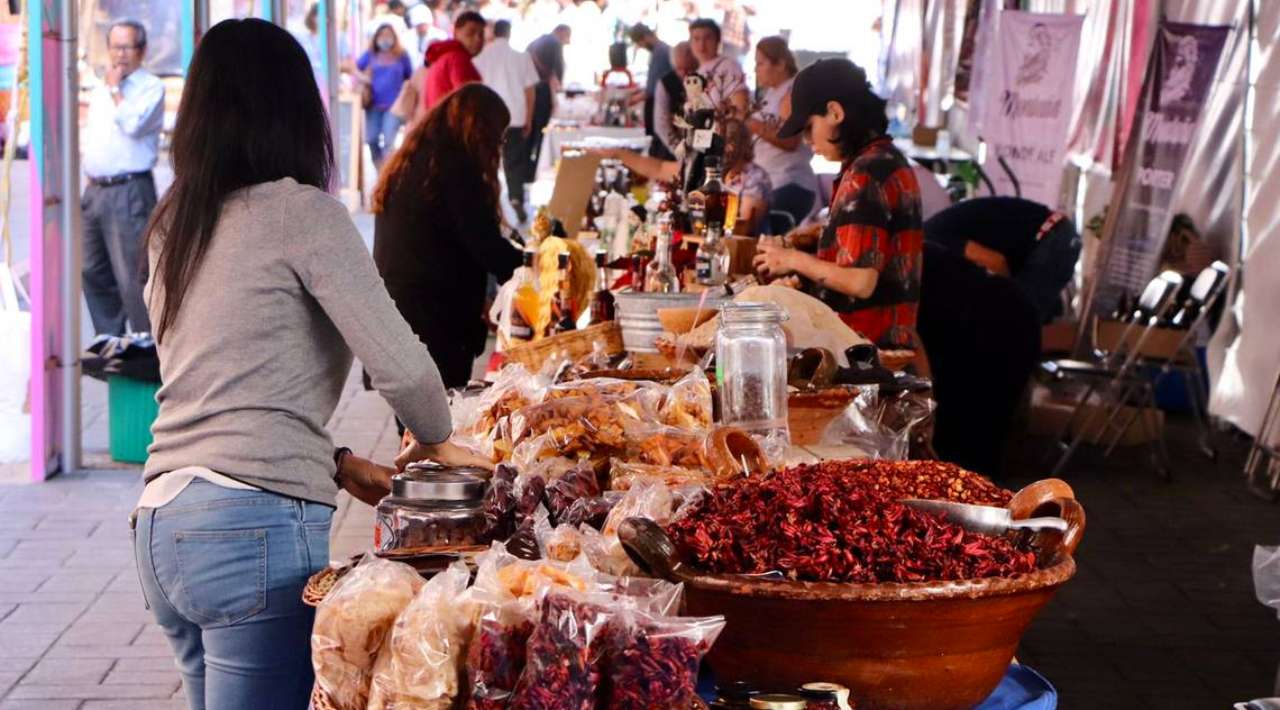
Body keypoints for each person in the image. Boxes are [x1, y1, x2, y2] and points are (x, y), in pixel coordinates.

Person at [135, 19, 483, 710]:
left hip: (160, 522)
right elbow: (406, 369)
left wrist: (337, 460)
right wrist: (442, 440)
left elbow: (225, 375)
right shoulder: (302, 213)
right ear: (296, 111)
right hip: (248, 529)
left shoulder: (177, 219)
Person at [753, 59, 923, 351]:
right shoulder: (886, 160)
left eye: (808, 128)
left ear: (834, 112)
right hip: (875, 343)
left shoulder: (866, 173)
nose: (807, 141)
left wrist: (792, 260)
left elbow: (860, 282)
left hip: (863, 351)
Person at [373, 83, 524, 388]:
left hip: (398, 312)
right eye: (499, 136)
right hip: (434, 320)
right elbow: (487, 247)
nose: (499, 145)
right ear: (481, 131)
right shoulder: (456, 169)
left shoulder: (418, 159)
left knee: (414, 423)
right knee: (438, 420)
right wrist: (534, 267)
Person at [918, 241, 1041, 476]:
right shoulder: (911, 244)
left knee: (965, 444)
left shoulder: (883, 263)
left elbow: (911, 342)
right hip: (1010, 314)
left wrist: (927, 410)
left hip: (993, 325)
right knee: (978, 437)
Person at [82, 19, 164, 337]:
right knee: (92, 270)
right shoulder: (102, 87)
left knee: (134, 275)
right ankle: (111, 342)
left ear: (141, 51)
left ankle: (148, 350)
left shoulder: (150, 87)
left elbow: (132, 124)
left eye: (126, 47)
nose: (119, 55)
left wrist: (116, 89)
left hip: (129, 190)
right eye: (114, 47)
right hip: (96, 191)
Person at [593, 117, 771, 236]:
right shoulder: (705, 171)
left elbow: (745, 227)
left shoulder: (755, 178)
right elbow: (659, 168)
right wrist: (617, 154)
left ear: (729, 147)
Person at [924, 197, 1080, 324]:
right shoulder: (930, 241)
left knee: (1016, 322)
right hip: (1050, 237)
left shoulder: (931, 239)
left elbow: (996, 263)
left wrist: (1006, 299)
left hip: (1051, 236)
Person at [748, 36, 820, 229]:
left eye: (760, 63)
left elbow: (790, 140)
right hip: (771, 182)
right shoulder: (772, 93)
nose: (756, 70)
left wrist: (749, 122)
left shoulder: (794, 90)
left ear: (780, 64)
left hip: (788, 182)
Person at [474, 19, 540, 223]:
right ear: (509, 33)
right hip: (515, 116)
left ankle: (489, 203)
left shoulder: (481, 58)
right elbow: (530, 91)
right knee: (514, 162)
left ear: (494, 33)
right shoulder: (522, 57)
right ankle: (515, 197)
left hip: (487, 118)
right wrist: (529, 117)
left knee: (488, 161)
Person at [357, 24, 414, 168]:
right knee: (371, 139)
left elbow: (410, 77)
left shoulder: (402, 55)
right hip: (373, 105)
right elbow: (354, 66)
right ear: (376, 38)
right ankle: (380, 170)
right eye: (381, 35)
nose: (385, 38)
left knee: (389, 142)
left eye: (389, 35)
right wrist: (363, 79)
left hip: (393, 107)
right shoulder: (370, 54)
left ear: (395, 38)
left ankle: (387, 172)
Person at [526, 24, 571, 172]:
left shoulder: (537, 41)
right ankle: (539, 164)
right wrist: (558, 86)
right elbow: (558, 69)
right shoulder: (554, 43)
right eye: (567, 36)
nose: (568, 41)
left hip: (530, 87)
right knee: (542, 130)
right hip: (543, 90)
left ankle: (529, 166)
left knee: (532, 131)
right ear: (561, 32)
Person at [422, 10, 485, 110]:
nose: (478, 39)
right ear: (456, 32)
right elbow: (468, 102)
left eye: (481, 34)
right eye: (471, 33)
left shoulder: (443, 56)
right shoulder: (457, 58)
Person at [688, 17, 748, 117]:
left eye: (707, 38)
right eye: (696, 39)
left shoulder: (728, 66)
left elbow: (740, 107)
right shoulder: (697, 73)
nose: (702, 45)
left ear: (717, 40)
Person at [628, 23, 672, 157]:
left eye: (640, 42)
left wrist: (631, 100)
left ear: (646, 37)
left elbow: (652, 89)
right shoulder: (660, 50)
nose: (640, 46)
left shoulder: (660, 52)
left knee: (656, 145)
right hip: (658, 102)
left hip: (658, 104)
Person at [652, 40, 696, 159]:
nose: (684, 74)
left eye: (689, 69)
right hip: (671, 151)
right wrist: (681, 152)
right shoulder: (665, 84)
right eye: (679, 69)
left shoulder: (705, 81)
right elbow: (661, 125)